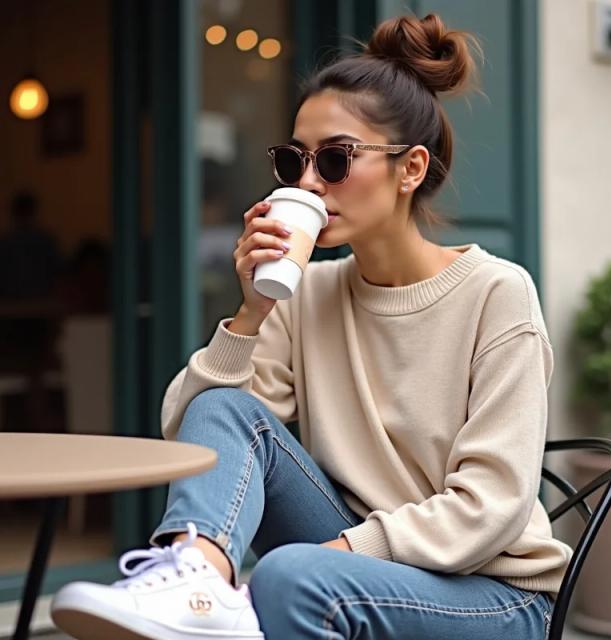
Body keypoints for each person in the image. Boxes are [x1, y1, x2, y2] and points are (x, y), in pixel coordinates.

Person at [51, 13, 572, 640]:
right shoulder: (309, 292)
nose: (308, 183)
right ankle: (196, 578)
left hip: (495, 595)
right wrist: (251, 313)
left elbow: (489, 507)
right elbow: (194, 438)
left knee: (291, 576)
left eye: (334, 159)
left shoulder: (497, 292)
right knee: (225, 407)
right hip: (357, 557)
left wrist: (337, 553)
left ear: (410, 170)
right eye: (294, 159)